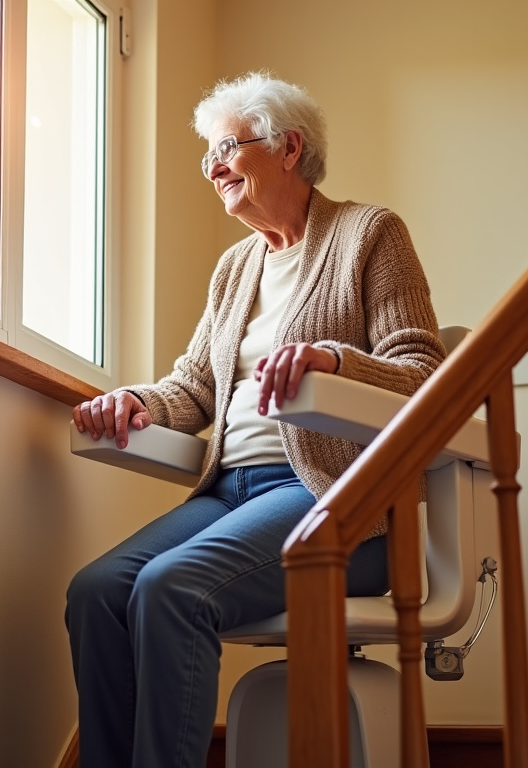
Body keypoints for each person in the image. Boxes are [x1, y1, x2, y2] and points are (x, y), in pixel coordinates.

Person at [66, 72, 445, 768]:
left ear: (289, 147)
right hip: (228, 493)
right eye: (206, 155)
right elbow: (196, 386)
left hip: (336, 502)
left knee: (171, 588)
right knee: (96, 592)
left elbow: (423, 374)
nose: (212, 168)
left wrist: (333, 360)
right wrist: (140, 404)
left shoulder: (370, 234)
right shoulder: (234, 267)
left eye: (226, 149)